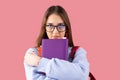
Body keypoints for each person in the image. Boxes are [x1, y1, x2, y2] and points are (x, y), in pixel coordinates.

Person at [24, 5, 89, 80]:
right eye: (50, 26)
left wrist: (40, 62)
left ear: (66, 29)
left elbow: (82, 76)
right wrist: (70, 73)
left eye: (60, 26)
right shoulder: (33, 53)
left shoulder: (78, 52)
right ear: (45, 28)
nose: (55, 32)